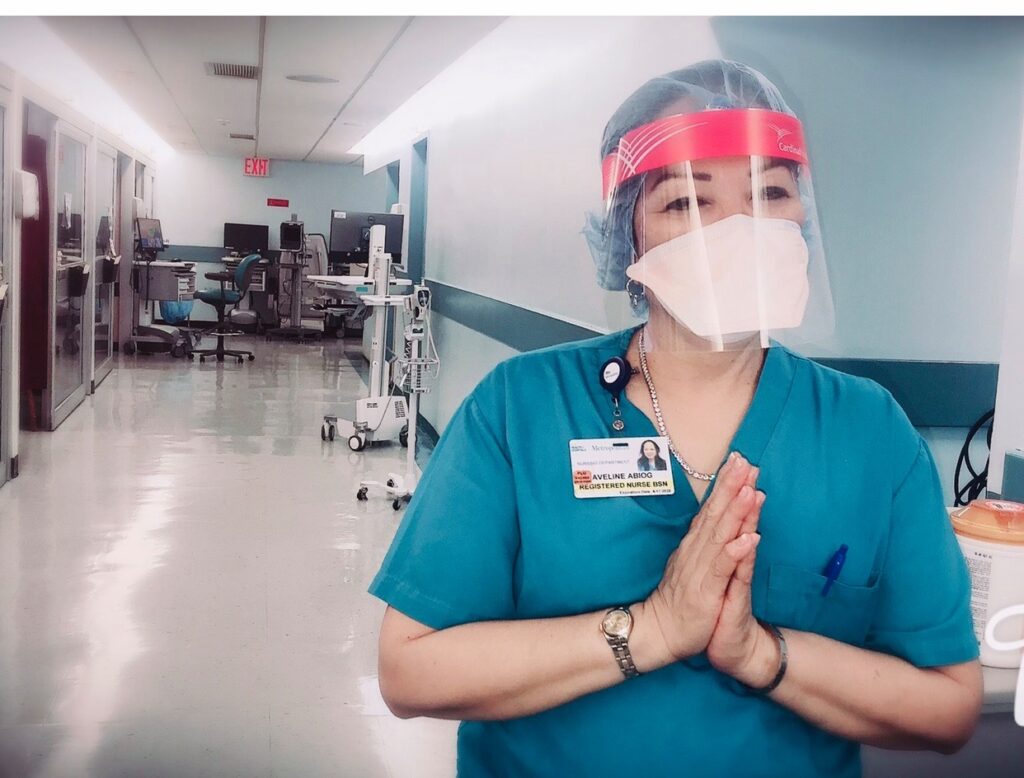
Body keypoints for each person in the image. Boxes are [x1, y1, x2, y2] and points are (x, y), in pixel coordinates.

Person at [370, 60, 982, 777]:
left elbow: (948, 707)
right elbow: (410, 671)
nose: (736, 229)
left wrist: (762, 653)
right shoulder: (521, 408)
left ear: (803, 221)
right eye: (685, 203)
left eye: (770, 193)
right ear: (626, 243)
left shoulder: (868, 432)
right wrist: (654, 628)